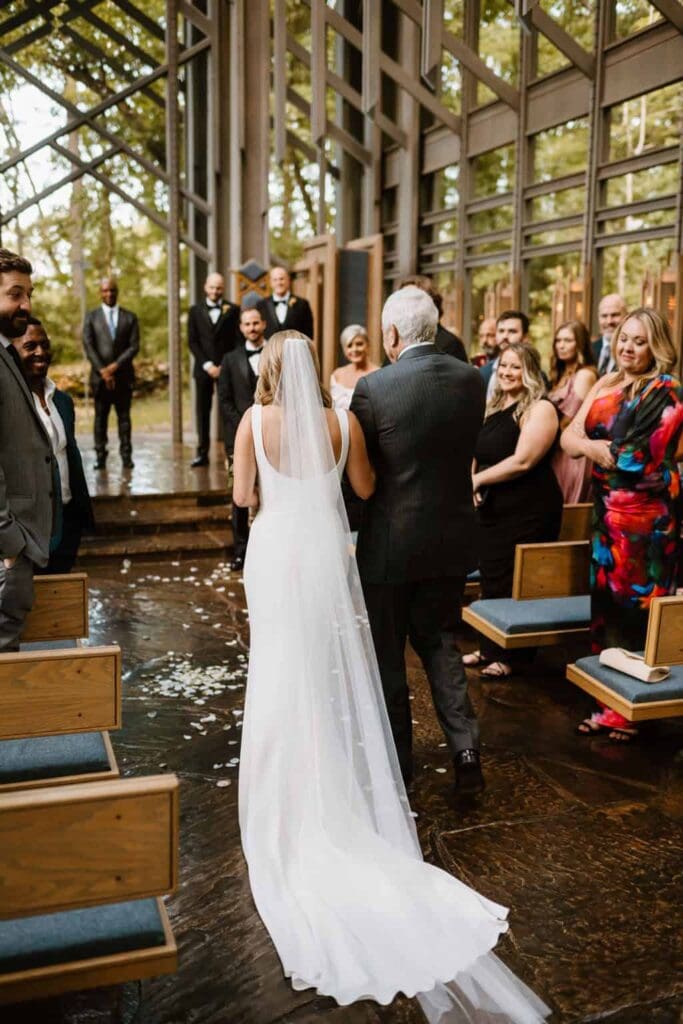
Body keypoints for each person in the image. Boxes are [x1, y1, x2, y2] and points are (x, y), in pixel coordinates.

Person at [233, 329, 549, 1022]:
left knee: (279, 672)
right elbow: (365, 487)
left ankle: (282, 787)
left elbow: (242, 493)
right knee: (325, 671)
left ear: (266, 369)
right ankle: (336, 786)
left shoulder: (253, 420)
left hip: (274, 552)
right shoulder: (342, 421)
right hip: (324, 557)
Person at [351, 286, 486, 793]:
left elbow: (363, 473)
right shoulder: (471, 380)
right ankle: (466, 747)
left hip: (392, 544)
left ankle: (398, 769)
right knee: (441, 643)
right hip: (451, 540)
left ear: (391, 334)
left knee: (388, 654)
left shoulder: (374, 388)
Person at [562, 308, 683, 742]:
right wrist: (590, 446)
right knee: (605, 611)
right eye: (624, 339)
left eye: (639, 341)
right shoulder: (607, 382)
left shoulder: (667, 390)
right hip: (606, 515)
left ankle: (629, 711)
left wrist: (589, 447)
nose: (629, 347)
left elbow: (631, 457)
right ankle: (608, 700)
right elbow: (566, 436)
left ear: (658, 347)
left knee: (636, 612)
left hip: (644, 524)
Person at [466, 343, 563, 679]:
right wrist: (473, 478)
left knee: (515, 581)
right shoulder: (494, 405)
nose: (507, 372)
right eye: (503, 366)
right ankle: (488, 647)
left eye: (515, 367)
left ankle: (512, 658)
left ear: (530, 372)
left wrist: (478, 480)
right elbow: (476, 449)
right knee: (491, 576)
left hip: (529, 508)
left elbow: (523, 461)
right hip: (493, 504)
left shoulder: (540, 409)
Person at [0, 249, 55, 650]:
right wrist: (10, 545)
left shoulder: (5, 354)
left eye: (29, 294)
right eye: (16, 294)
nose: (26, 304)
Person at [13, 318, 94, 574]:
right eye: (30, 346)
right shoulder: (10, 404)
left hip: (68, 521)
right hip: (30, 528)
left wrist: (82, 515)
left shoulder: (63, 401)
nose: (41, 352)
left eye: (45, 345)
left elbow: (70, 454)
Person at [217, 306, 267, 571]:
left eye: (256, 323)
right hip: (238, 437)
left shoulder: (274, 355)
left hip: (271, 434)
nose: (252, 328)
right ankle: (241, 550)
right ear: (241, 327)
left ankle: (267, 548)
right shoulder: (229, 359)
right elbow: (224, 399)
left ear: (264, 324)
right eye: (247, 324)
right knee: (239, 494)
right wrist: (245, 427)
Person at [82, 276, 139, 470]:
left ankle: (126, 456)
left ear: (117, 292)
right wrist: (103, 371)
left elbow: (134, 347)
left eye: (112, 290)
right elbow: (88, 345)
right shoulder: (91, 317)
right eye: (105, 290)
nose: (109, 294)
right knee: (100, 419)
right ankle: (100, 456)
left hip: (123, 378)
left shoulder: (129, 317)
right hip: (100, 379)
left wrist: (115, 367)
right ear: (100, 293)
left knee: (124, 419)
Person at [187, 272, 240, 467]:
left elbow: (236, 340)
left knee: (228, 410)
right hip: (203, 370)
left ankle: (232, 452)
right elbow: (192, 341)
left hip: (226, 369)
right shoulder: (195, 311)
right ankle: (202, 453)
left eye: (219, 287)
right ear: (205, 287)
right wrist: (208, 365)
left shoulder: (234, 310)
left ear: (223, 288)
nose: (215, 291)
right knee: (202, 412)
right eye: (212, 287)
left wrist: (224, 366)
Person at [548, 320, 598, 503]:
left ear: (580, 343)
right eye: (558, 340)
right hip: (556, 452)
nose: (561, 345)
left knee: (568, 510)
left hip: (572, 456)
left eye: (568, 340)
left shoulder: (585, 375)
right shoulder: (559, 375)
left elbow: (571, 420)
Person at [399, 274, 468, 361]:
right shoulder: (400, 341)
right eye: (400, 299)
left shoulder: (450, 345)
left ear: (431, 303)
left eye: (410, 299)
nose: (403, 305)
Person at [480, 310, 530, 399]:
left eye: (512, 331)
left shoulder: (535, 375)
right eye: (501, 331)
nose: (505, 336)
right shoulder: (483, 371)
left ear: (525, 337)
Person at [329, 324, 380, 410]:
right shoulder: (337, 374)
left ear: (367, 345)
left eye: (359, 344)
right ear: (344, 350)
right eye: (349, 346)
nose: (354, 349)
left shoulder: (378, 374)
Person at [256, 266, 313, 339]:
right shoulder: (261, 305)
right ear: (270, 283)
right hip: (269, 349)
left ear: (288, 280)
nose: (279, 283)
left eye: (281, 279)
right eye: (275, 280)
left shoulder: (302, 304)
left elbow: (308, 335)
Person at [592, 293, 627, 376]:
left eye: (615, 315)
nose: (609, 321)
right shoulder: (589, 350)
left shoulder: (631, 351)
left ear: (626, 316)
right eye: (604, 316)